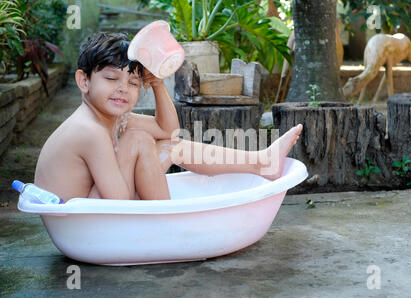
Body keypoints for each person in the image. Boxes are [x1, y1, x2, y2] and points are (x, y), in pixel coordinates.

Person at [34, 32, 303, 202]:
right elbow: (118, 199)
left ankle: (261, 162)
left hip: (94, 214)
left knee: (169, 146)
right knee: (138, 140)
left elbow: (169, 131)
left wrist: (159, 84)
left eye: (133, 83)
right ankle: (164, 221)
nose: (122, 89)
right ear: (84, 81)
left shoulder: (107, 116)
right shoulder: (88, 130)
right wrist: (136, 148)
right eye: (111, 78)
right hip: (84, 225)